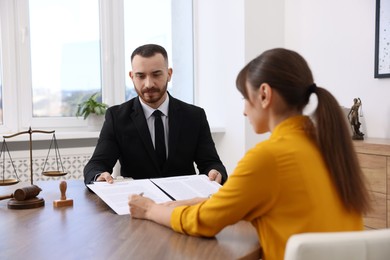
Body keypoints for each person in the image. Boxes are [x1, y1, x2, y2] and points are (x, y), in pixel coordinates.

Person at [128, 48, 370, 260]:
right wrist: (188, 202)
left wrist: (149, 209)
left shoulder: (269, 157)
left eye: (245, 98)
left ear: (264, 95)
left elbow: (204, 222)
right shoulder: (327, 145)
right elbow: (246, 200)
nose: (244, 111)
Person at [84, 44, 227, 185]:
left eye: (156, 74)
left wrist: (215, 172)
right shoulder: (117, 117)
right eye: (140, 76)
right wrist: (99, 176)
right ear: (132, 76)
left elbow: (211, 163)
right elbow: (96, 165)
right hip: (138, 201)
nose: (148, 84)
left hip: (183, 202)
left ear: (169, 74)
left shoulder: (195, 116)